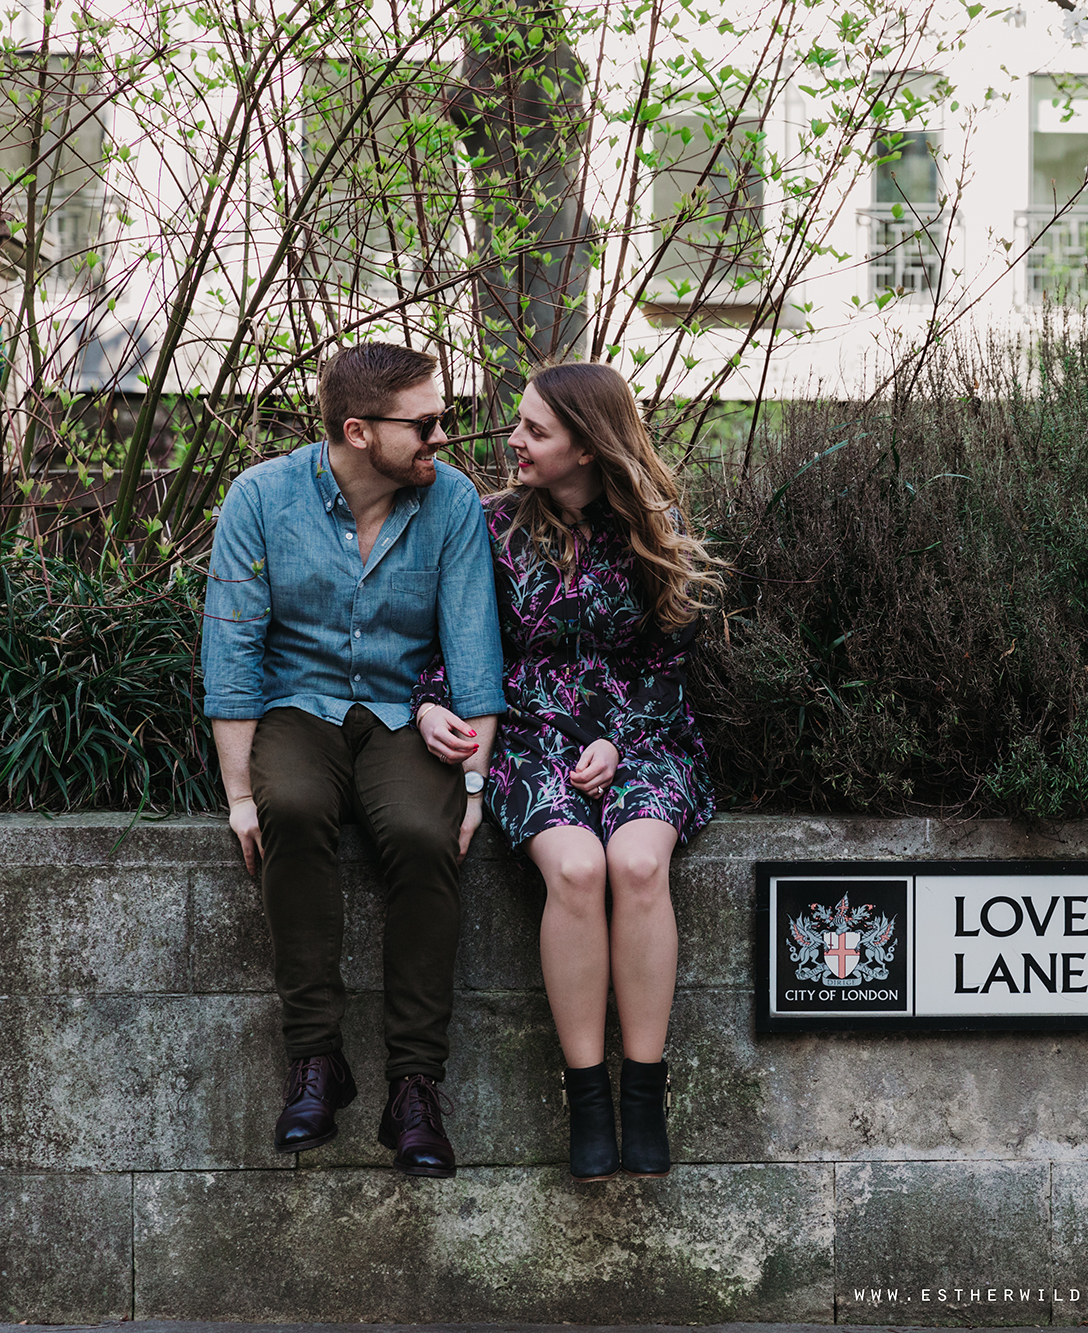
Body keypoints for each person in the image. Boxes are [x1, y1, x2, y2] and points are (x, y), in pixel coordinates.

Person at [412, 362, 723, 1180]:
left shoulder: (656, 527)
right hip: (529, 737)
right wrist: (431, 704)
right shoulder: (489, 527)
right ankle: (586, 1095)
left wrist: (621, 740)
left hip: (645, 738)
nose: (513, 439)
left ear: (588, 447)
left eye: (535, 430)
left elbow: (669, 658)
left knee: (637, 861)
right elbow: (451, 641)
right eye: (520, 425)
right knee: (580, 869)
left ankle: (643, 1093)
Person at [201, 342, 505, 1179]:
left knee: (420, 828)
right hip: (297, 704)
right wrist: (239, 795)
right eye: (428, 423)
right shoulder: (260, 498)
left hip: (408, 710)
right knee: (291, 810)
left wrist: (473, 788)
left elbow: (474, 653)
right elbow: (232, 651)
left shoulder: (450, 504)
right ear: (359, 431)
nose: (443, 436)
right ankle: (315, 1059)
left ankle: (414, 1087)